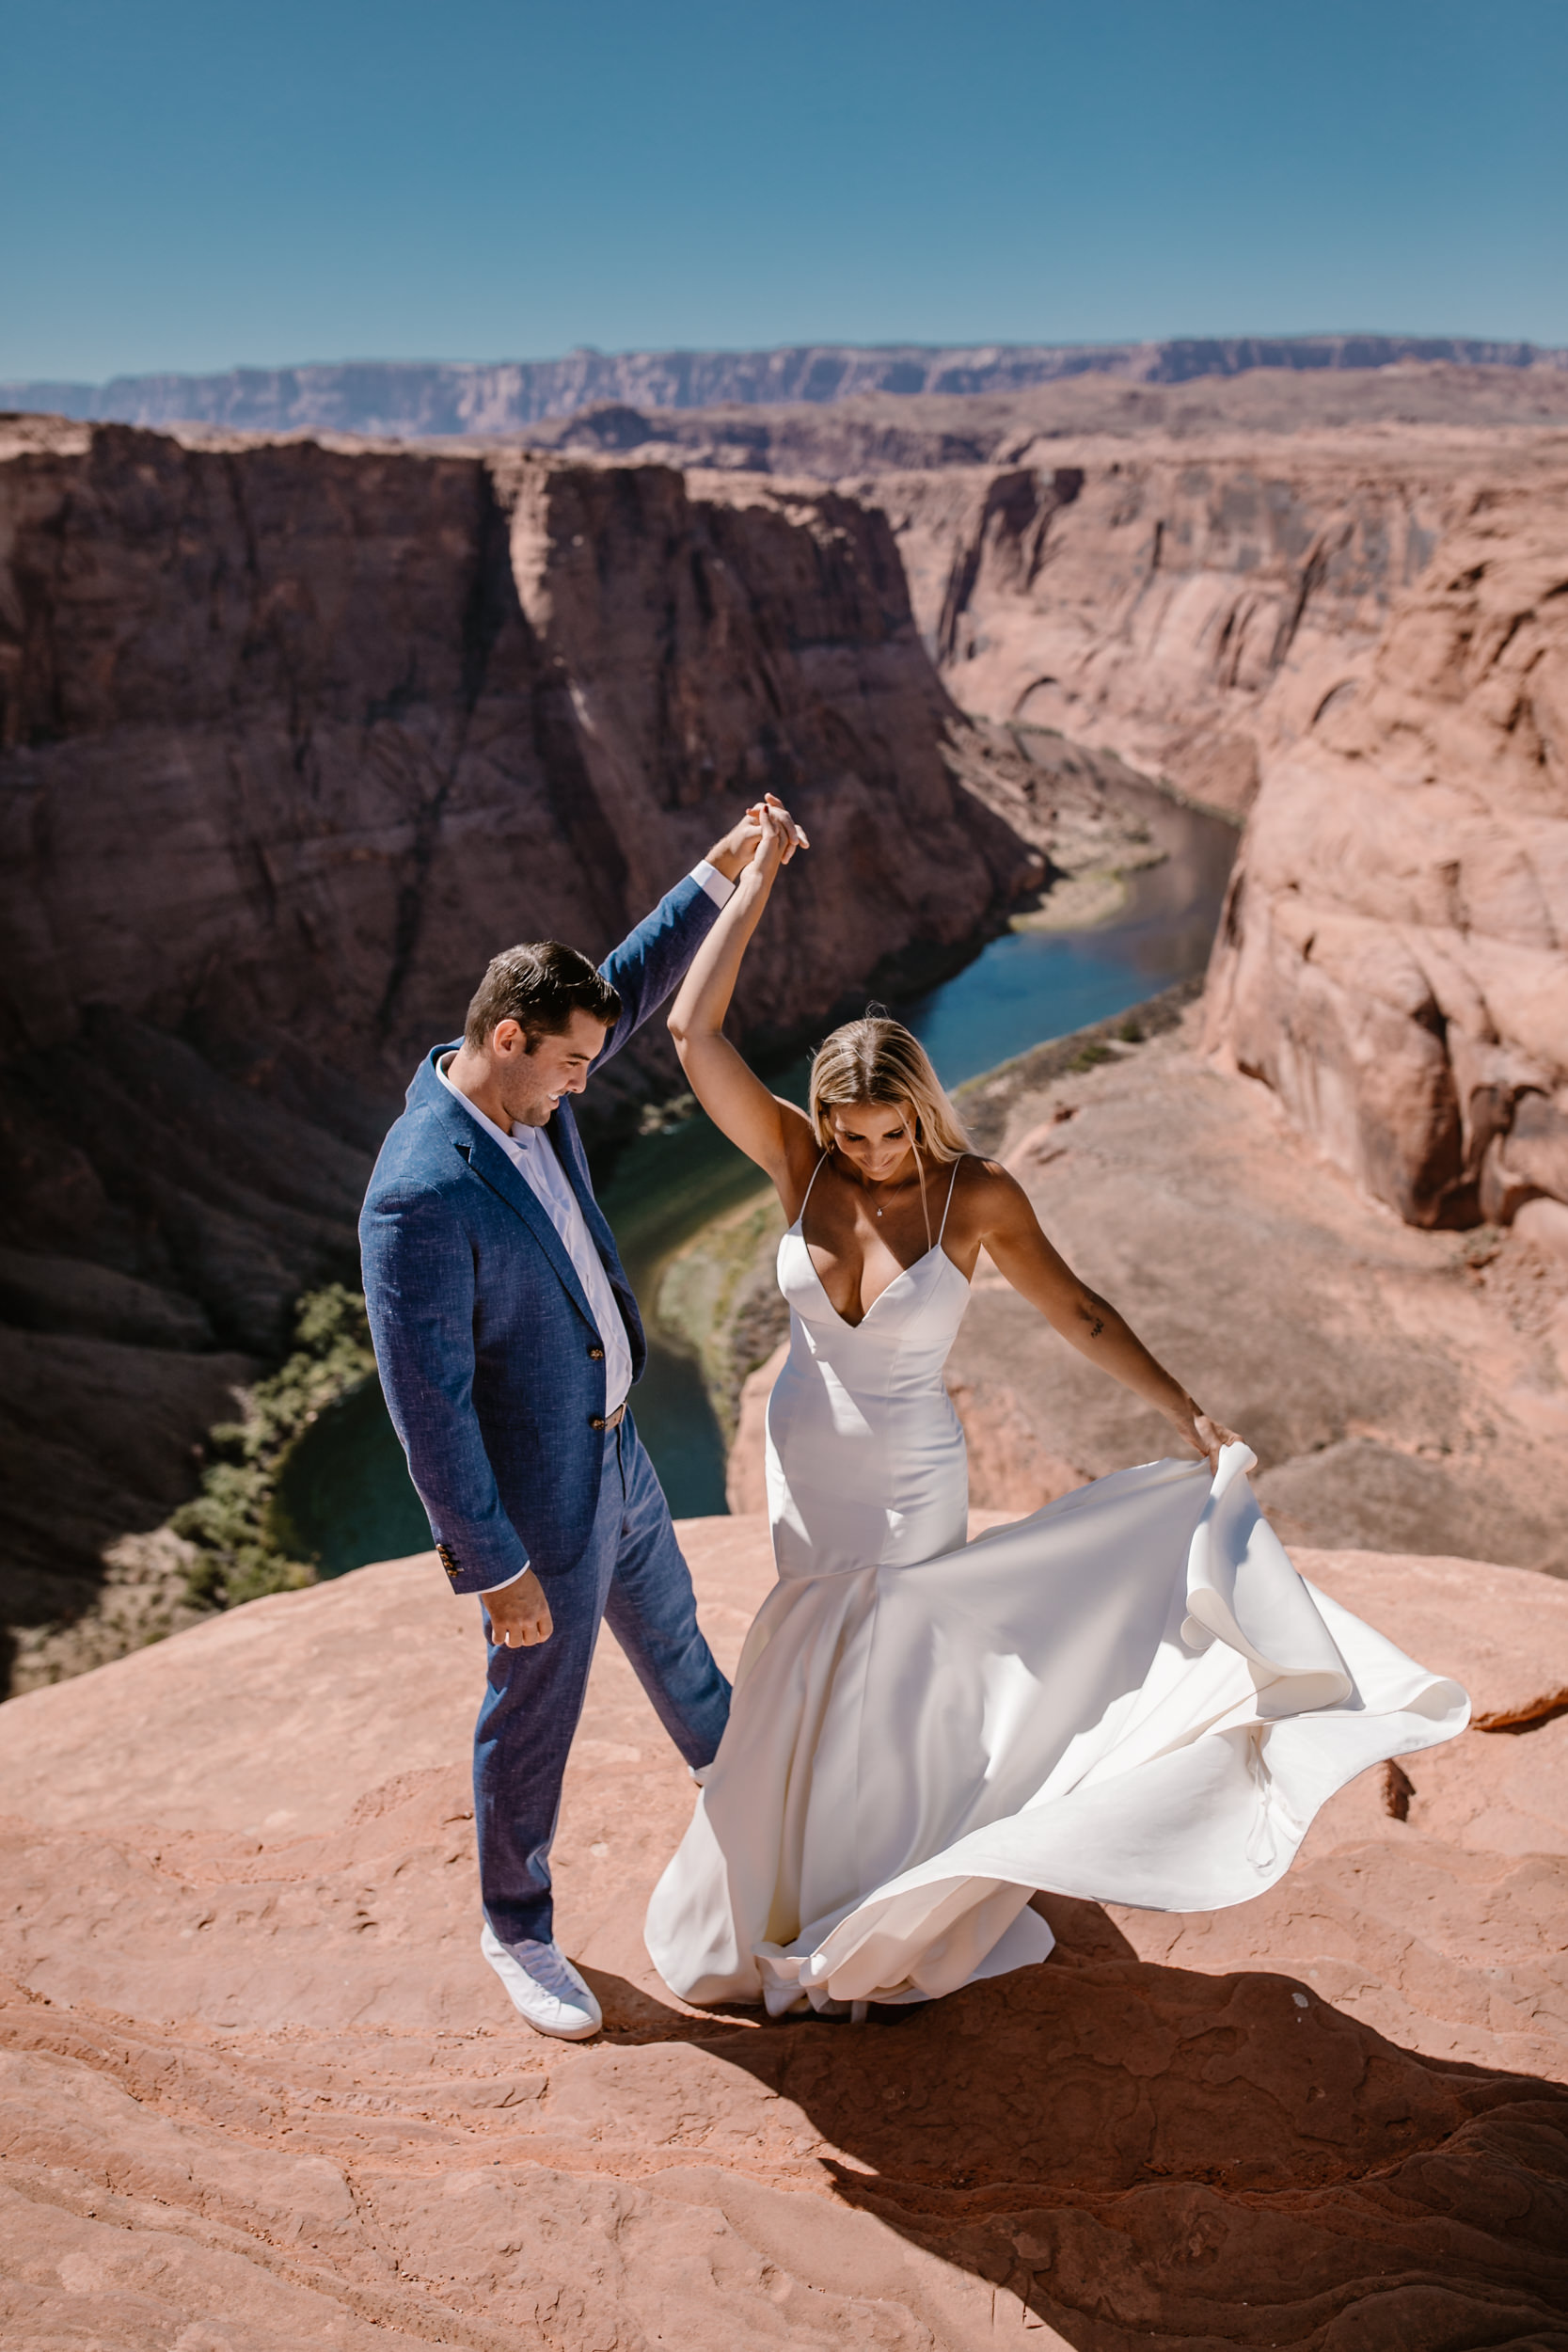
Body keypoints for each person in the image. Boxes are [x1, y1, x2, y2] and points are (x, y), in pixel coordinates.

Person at [643, 806, 1469, 2017]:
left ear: (919, 1110)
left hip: (914, 1472)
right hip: (808, 1466)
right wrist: (753, 875)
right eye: (849, 1130)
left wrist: (1184, 1412)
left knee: (896, 1664)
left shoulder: (975, 1195)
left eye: (887, 1130)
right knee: (805, 1663)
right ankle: (790, 1880)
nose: (869, 1153)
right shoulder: (793, 1162)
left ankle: (887, 1888)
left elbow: (1075, 1312)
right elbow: (686, 1026)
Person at [359, 803, 804, 2041]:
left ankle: (758, 1829)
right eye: (566, 1063)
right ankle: (517, 1929)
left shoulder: (537, 1075)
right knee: (534, 1712)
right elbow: (426, 1410)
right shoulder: (417, 1192)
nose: (583, 1082)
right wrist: (493, 1566)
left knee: (678, 1652)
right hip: (536, 1507)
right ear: (505, 1039)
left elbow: (627, 971)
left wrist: (724, 864)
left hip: (619, 1459)